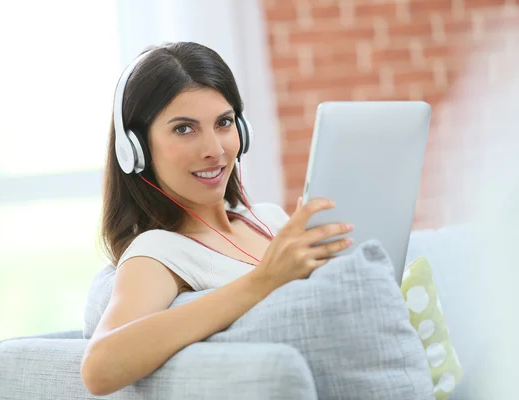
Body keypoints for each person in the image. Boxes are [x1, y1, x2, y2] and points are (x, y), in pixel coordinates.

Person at [80, 41, 354, 396]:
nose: (215, 150)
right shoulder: (158, 251)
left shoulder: (269, 218)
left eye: (224, 123)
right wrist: (262, 281)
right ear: (137, 150)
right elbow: (100, 368)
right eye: (184, 129)